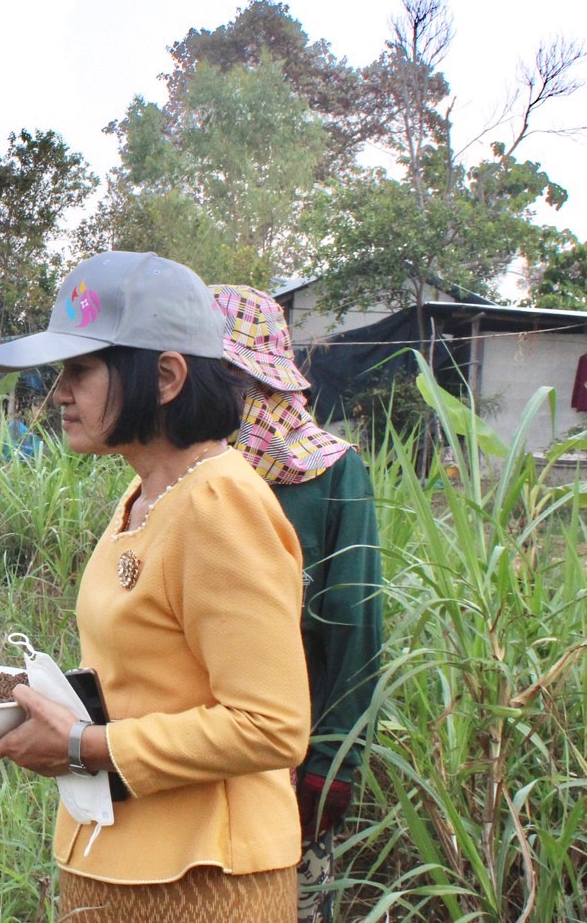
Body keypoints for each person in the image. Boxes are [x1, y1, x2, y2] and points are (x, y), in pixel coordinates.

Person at [0, 251, 310, 921]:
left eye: (81, 370)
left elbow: (270, 726)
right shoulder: (145, 492)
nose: (59, 392)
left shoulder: (218, 504)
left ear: (164, 376)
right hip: (118, 859)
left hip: (201, 879)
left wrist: (80, 745)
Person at [210, 284, 384, 923]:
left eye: (219, 370)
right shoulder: (192, 472)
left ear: (250, 377)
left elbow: (352, 622)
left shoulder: (331, 473)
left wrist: (332, 761)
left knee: (287, 903)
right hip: (195, 746)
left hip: (290, 750)